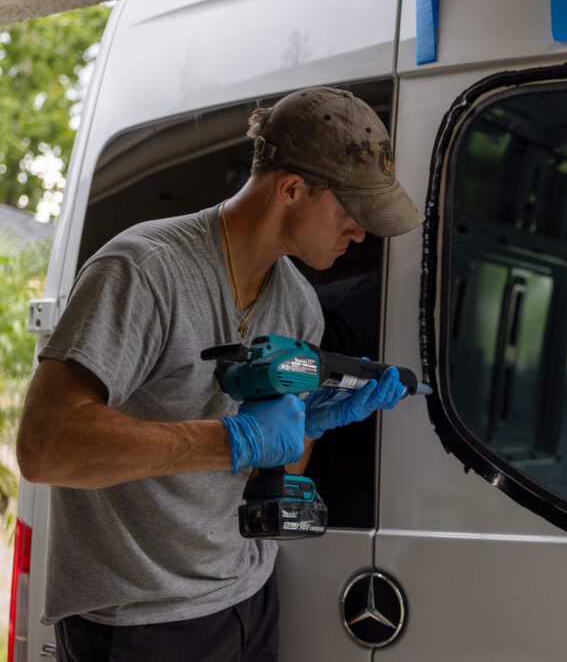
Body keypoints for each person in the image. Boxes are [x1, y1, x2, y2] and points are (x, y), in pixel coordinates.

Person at [15, 86, 424, 661]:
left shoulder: (299, 303)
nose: (361, 232)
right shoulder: (144, 269)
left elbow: (274, 464)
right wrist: (230, 438)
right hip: (141, 615)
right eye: (352, 211)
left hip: (247, 596)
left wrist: (309, 425)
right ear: (291, 188)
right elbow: (45, 447)